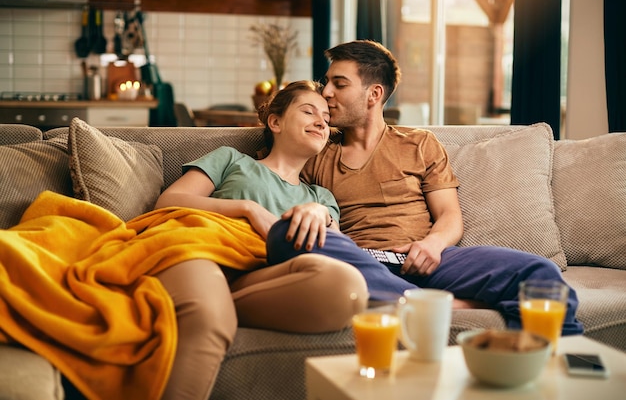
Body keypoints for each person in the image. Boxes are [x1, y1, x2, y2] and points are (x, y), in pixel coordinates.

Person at [285, 40, 583, 335]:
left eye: (339, 84)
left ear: (373, 94)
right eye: (327, 83)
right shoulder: (316, 151)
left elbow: (450, 216)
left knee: (540, 273)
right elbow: (278, 188)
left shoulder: (419, 144)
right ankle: (440, 304)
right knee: (303, 245)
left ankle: (557, 365)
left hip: (429, 259)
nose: (326, 92)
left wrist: (432, 245)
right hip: (361, 262)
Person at [153, 80, 380, 400]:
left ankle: (213, 302)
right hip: (201, 252)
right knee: (208, 320)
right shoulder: (232, 160)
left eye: (326, 119)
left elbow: (340, 252)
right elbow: (169, 201)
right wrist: (247, 209)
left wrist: (318, 212)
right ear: (275, 121)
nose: (321, 121)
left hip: (259, 276)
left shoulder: (320, 197)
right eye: (308, 111)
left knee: (346, 286)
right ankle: (207, 305)